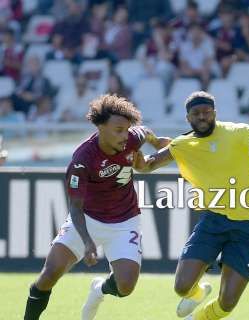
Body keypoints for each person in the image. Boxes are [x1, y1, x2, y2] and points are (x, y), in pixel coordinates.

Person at [133, 91, 249, 320]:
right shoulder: (183, 144)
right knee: (181, 287)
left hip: (247, 227)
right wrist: (136, 156)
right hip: (213, 220)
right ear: (188, 118)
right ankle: (198, 293)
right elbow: (148, 165)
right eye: (196, 113)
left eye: (206, 112)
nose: (202, 117)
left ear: (215, 113)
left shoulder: (236, 131)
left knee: (226, 303)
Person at [23, 94, 171, 320]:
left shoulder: (132, 137)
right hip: (86, 220)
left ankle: (99, 290)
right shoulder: (83, 160)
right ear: (101, 127)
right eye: (118, 130)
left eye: (126, 129)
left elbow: (144, 131)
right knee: (49, 274)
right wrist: (87, 241)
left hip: (125, 220)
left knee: (126, 287)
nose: (125, 135)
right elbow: (75, 207)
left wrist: (156, 141)